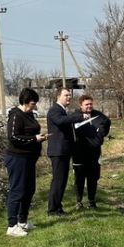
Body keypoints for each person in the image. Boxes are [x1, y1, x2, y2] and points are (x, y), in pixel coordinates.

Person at [3, 87, 48, 237]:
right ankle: (12, 225)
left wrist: (39, 137)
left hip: (29, 159)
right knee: (17, 190)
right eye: (33, 103)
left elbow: (31, 132)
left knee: (29, 190)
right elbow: (13, 137)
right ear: (26, 101)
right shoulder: (16, 115)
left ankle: (22, 221)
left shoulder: (29, 115)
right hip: (17, 158)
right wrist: (34, 139)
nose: (35, 106)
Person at [46, 87, 90, 216]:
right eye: (66, 95)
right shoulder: (55, 110)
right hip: (58, 151)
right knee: (58, 180)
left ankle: (57, 207)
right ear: (58, 96)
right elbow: (61, 121)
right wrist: (79, 116)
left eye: (70, 95)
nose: (69, 97)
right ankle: (53, 209)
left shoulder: (63, 110)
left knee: (62, 181)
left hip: (64, 151)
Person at [72, 94, 111, 209]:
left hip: (94, 152)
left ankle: (91, 201)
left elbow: (107, 123)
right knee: (79, 178)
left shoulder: (99, 116)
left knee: (93, 178)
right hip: (79, 152)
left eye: (91, 104)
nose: (89, 106)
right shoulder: (75, 116)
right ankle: (78, 201)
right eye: (86, 104)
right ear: (81, 105)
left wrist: (101, 134)